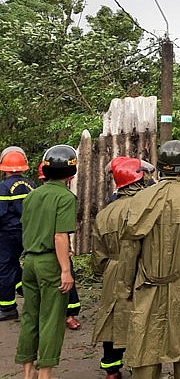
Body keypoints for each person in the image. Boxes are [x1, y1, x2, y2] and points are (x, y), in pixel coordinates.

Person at [121, 140, 180, 379]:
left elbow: (130, 249)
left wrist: (126, 286)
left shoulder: (141, 198)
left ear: (160, 166)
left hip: (146, 283)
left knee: (145, 345)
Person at [15, 145, 78, 379]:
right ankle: (45, 373)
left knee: (30, 316)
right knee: (51, 318)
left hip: (29, 262)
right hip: (50, 263)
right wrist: (65, 270)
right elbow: (60, 236)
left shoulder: (32, 195)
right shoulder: (65, 197)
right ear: (71, 173)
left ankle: (28, 371)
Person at [91, 157, 153, 379]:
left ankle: (111, 369)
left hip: (113, 271)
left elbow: (98, 257)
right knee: (141, 316)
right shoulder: (147, 208)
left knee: (112, 317)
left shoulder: (104, 213)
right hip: (142, 270)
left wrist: (109, 270)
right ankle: (140, 365)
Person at [0, 146, 35, 322]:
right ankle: (24, 289)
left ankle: (7, 307)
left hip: (7, 234)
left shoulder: (4, 187)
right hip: (28, 232)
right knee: (15, 265)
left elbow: (1, 212)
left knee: (4, 268)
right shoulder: (31, 185)